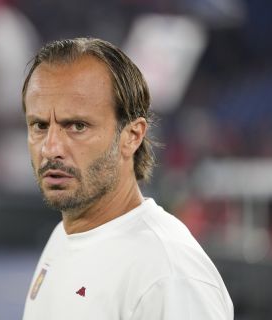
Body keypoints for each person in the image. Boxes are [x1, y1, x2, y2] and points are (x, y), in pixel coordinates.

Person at [21, 37, 233, 320]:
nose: (51, 148)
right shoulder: (64, 235)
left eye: (77, 126)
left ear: (131, 136)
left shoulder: (168, 275)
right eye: (39, 125)